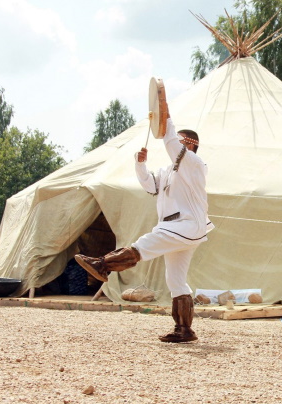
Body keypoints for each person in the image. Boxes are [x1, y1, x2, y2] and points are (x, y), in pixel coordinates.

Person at [75, 107, 214, 344]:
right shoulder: (168, 171)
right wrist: (140, 165)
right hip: (178, 228)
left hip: (187, 225)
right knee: (175, 281)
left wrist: (165, 113)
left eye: (180, 142)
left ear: (189, 145)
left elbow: (170, 141)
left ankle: (103, 265)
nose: (175, 146)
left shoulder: (194, 163)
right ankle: (184, 330)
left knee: (145, 244)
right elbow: (150, 186)